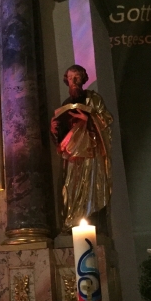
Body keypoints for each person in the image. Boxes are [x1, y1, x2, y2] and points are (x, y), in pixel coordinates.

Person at [50, 65, 113, 231]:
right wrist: (54, 130)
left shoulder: (94, 99)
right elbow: (62, 139)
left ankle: (91, 220)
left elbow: (106, 121)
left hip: (91, 153)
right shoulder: (66, 104)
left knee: (90, 186)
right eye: (71, 78)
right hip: (72, 155)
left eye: (77, 77)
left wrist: (88, 119)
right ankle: (72, 220)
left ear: (83, 79)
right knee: (70, 186)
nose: (74, 81)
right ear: (67, 80)